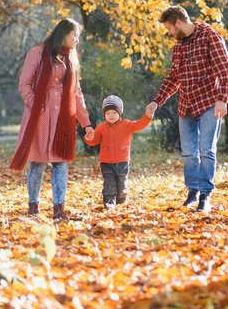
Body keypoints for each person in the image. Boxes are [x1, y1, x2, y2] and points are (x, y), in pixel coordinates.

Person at [146, 5, 228, 213]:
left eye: (169, 28)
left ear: (178, 22)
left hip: (208, 104)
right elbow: (173, 78)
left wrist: (223, 99)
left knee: (206, 151)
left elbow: (226, 70)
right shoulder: (178, 46)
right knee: (188, 154)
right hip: (186, 106)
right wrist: (156, 101)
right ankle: (192, 192)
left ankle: (205, 195)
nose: (169, 33)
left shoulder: (209, 36)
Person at [9, 18, 95, 220]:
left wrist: (86, 123)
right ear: (63, 34)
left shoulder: (72, 57)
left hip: (63, 118)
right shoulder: (38, 53)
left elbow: (77, 93)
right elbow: (24, 85)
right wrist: (37, 106)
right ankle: (33, 207)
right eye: (75, 35)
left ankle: (59, 209)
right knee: (38, 163)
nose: (77, 40)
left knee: (61, 162)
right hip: (38, 119)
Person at [84, 95, 152, 208]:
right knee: (109, 184)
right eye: (108, 113)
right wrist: (89, 138)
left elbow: (140, 124)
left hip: (122, 162)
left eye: (114, 112)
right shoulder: (101, 127)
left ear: (120, 113)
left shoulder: (126, 125)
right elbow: (94, 140)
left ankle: (121, 202)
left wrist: (148, 116)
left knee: (122, 184)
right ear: (104, 114)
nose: (111, 115)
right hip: (106, 163)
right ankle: (109, 203)